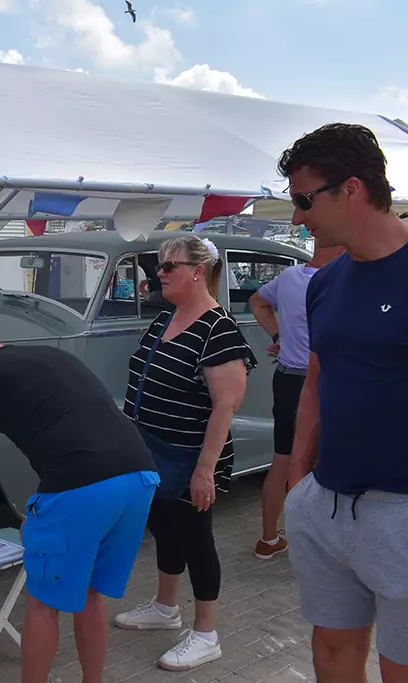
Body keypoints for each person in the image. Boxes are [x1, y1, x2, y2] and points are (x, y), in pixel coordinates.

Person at [0, 327, 160, 683]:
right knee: (90, 594)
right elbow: (70, 430)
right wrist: (43, 512)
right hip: (139, 478)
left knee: (43, 604)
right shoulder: (50, 356)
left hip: (82, 488)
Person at [280, 123, 408, 682]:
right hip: (327, 505)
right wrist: (297, 483)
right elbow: (315, 381)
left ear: (351, 188)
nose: (296, 218)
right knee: (331, 653)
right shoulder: (324, 281)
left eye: (304, 200)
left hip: (402, 508)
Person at [112, 235, 256, 672]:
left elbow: (226, 405)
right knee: (165, 530)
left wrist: (205, 471)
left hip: (190, 455)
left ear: (197, 271)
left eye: (167, 267)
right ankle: (166, 606)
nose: (158, 274)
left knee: (196, 539)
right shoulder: (166, 318)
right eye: (158, 266)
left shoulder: (218, 329)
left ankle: (206, 633)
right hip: (151, 447)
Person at [248, 244, 344, 559]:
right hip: (327, 379)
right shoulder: (344, 278)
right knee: (324, 464)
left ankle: (268, 539)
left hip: (289, 379)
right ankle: (317, 544)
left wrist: (280, 337)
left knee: (283, 459)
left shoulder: (289, 277)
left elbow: (257, 301)